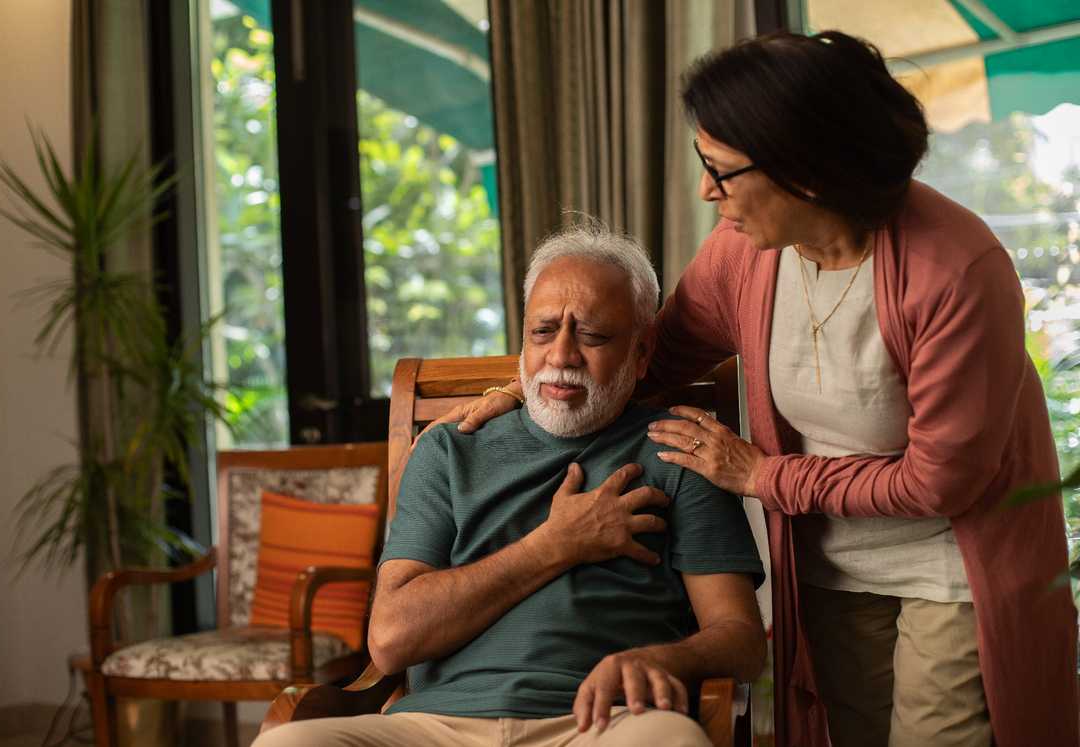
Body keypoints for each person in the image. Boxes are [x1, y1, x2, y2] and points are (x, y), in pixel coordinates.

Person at [447, 31, 1078, 747]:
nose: (705, 191)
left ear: (802, 170)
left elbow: (942, 481)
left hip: (954, 561)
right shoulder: (743, 254)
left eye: (720, 171)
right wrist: (529, 389)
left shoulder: (955, 271)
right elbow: (649, 357)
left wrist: (762, 476)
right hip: (831, 564)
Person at [253, 225, 766, 747]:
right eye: (543, 331)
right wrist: (555, 544)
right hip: (436, 728)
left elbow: (743, 640)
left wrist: (666, 659)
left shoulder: (680, 451)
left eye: (592, 336)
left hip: (600, 725)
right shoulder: (449, 449)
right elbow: (389, 641)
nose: (561, 356)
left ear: (640, 352)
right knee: (286, 743)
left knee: (670, 740)